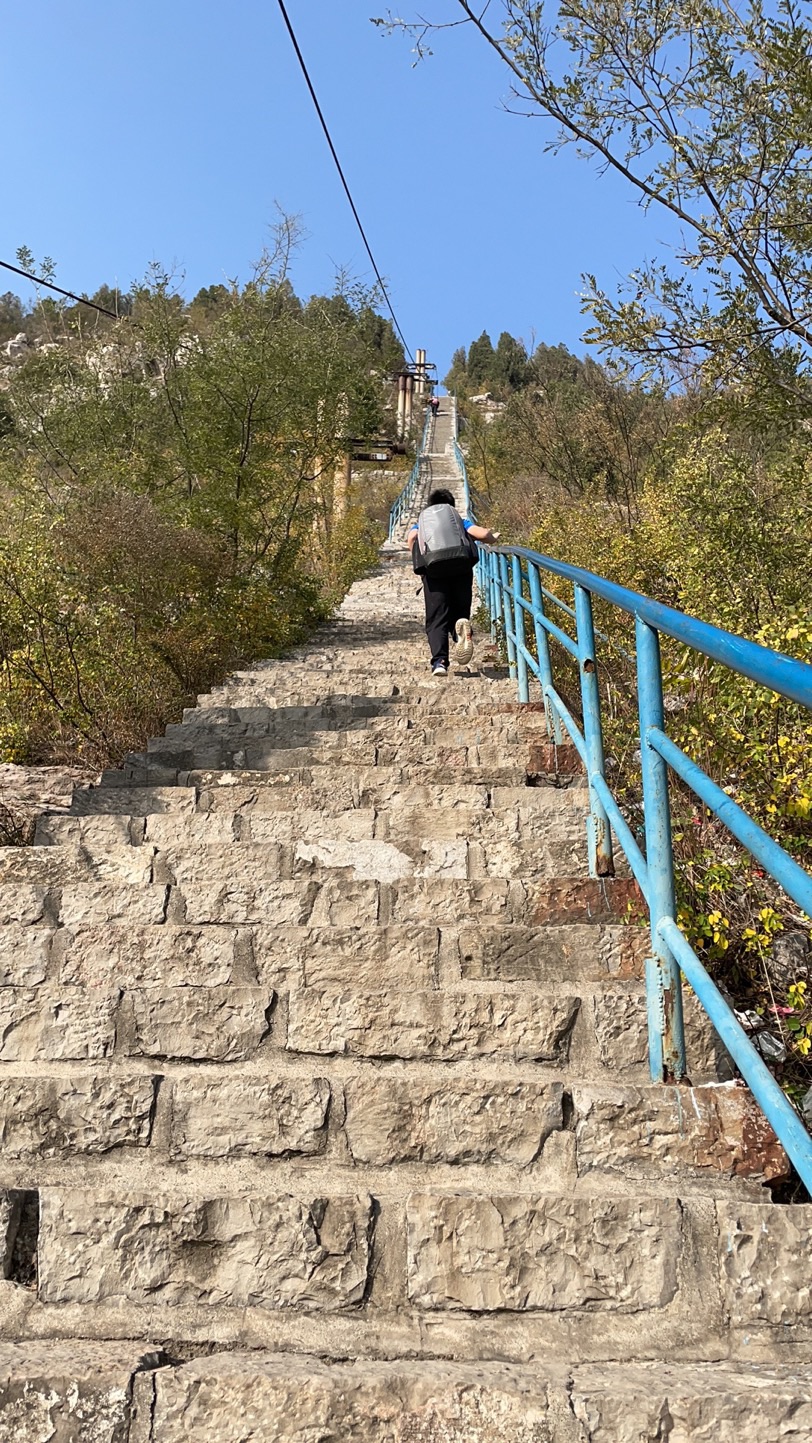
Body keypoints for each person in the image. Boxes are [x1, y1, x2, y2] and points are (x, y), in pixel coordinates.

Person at [407, 488, 500, 676]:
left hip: (434, 573)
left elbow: (411, 538)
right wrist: (493, 537)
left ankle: (440, 662)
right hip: (461, 570)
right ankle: (460, 631)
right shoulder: (457, 520)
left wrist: (419, 563)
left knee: (436, 618)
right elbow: (481, 534)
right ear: (451, 506)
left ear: (430, 505)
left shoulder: (422, 523)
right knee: (459, 611)